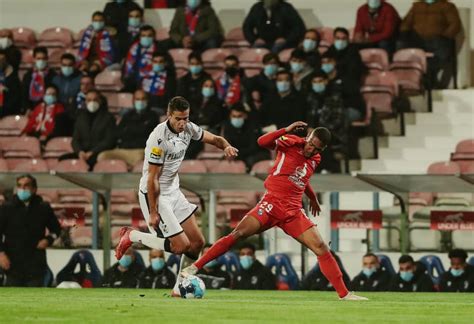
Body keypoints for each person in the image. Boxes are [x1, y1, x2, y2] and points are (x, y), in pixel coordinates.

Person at [181, 122, 367, 300]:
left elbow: (301, 178)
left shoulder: (315, 159)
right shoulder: (291, 142)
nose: (312, 150)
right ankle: (195, 267)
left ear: (322, 149)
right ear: (308, 137)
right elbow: (262, 142)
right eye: (311, 145)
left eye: (317, 149)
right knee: (238, 234)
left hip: (292, 212)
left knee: (321, 247)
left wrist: (312, 197)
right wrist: (286, 130)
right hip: (270, 204)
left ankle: (345, 294)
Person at [115, 96, 239, 297]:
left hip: (174, 191)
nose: (182, 123)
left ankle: (177, 289)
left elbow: (215, 138)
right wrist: (153, 211)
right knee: (181, 246)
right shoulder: (158, 138)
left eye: (186, 118)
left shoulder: (188, 128)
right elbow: (152, 178)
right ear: (168, 115)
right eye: (178, 119)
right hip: (155, 193)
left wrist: (225, 145)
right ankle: (132, 235)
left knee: (197, 243)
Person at [0, 174, 61, 287]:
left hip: (35, 265)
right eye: (19, 186)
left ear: (34, 189)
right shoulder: (7, 208)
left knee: (34, 300)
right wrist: (1, 254)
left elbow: (56, 229)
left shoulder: (43, 208)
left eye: (26, 186)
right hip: (13, 264)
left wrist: (48, 240)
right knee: (12, 301)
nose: (22, 189)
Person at [399, 0, 461, 89]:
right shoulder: (417, 6)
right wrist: (404, 32)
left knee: (441, 55)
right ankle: (417, 81)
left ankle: (429, 78)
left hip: (438, 39)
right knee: (403, 48)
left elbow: (455, 24)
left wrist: (445, 36)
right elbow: (406, 23)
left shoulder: (447, 6)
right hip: (418, 41)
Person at [97, 89, 159, 168]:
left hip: (140, 150)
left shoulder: (153, 116)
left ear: (147, 101)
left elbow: (150, 138)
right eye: (138, 99)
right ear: (133, 101)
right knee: (103, 156)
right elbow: (119, 133)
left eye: (143, 99)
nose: (140, 102)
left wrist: (130, 132)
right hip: (123, 150)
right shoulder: (127, 115)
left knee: (139, 159)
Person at [67, 89, 116, 169]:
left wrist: (92, 152)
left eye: (95, 100)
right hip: (82, 153)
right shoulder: (80, 117)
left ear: (100, 101)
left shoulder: (108, 118)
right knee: (63, 160)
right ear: (85, 102)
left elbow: (109, 140)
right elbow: (75, 140)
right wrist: (79, 152)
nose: (92, 102)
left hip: (98, 152)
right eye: (89, 100)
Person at [223, 103, 270, 170]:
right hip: (240, 154)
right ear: (230, 116)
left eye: (239, 116)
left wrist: (236, 154)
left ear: (245, 116)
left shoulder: (253, 126)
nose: (236, 119)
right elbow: (228, 144)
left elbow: (253, 148)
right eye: (234, 116)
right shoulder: (227, 126)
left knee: (249, 160)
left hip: (258, 153)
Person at [123, 25, 161, 91]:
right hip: (133, 81)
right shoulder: (134, 48)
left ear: (154, 37)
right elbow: (128, 67)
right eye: (143, 36)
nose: (146, 38)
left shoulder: (160, 49)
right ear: (140, 37)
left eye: (149, 36)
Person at [77, 11, 116, 75]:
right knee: (81, 68)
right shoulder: (88, 33)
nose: (98, 23)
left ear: (104, 21)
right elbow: (82, 49)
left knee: (93, 69)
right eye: (95, 20)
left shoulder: (109, 34)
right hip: (88, 59)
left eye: (100, 21)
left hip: (101, 59)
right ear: (92, 21)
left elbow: (111, 53)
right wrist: (83, 61)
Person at [141, 51, 177, 115]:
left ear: (165, 63)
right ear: (152, 62)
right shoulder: (145, 77)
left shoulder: (170, 79)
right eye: (155, 61)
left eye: (160, 62)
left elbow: (170, 98)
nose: (157, 64)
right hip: (145, 108)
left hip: (160, 109)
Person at [21, 47, 56, 111]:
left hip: (48, 108)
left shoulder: (53, 75)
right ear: (34, 59)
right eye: (38, 59)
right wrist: (27, 108)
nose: (41, 61)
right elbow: (24, 94)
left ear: (47, 59)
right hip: (31, 109)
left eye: (44, 58)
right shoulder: (28, 75)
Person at [0, 49, 21, 117]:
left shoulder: (14, 78)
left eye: (2, 59)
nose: (0, 62)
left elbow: (15, 99)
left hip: (9, 113)